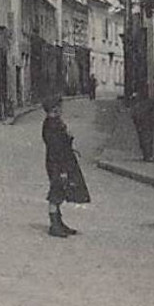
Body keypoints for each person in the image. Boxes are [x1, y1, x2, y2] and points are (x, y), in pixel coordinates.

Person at [43, 95, 91, 237]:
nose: (61, 109)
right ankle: (54, 225)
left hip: (62, 161)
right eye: (59, 106)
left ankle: (59, 222)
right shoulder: (52, 124)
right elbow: (55, 148)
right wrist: (62, 169)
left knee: (61, 190)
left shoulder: (55, 122)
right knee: (56, 191)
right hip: (58, 162)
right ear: (54, 108)